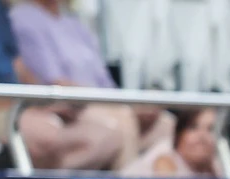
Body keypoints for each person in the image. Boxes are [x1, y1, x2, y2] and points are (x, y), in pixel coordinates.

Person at [0, 0, 123, 169]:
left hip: (15, 109)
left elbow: (21, 70)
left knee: (106, 134)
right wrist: (21, 104)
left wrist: (43, 101)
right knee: (47, 135)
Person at [9, 0, 157, 170]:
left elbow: (105, 81)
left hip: (103, 101)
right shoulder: (24, 18)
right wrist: (117, 104)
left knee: (164, 125)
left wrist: (129, 103)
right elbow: (54, 81)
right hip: (71, 105)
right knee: (124, 120)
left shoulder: (74, 23)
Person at [122, 106, 220, 179]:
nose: (202, 137)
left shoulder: (212, 164)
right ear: (179, 133)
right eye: (193, 128)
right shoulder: (164, 158)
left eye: (210, 129)